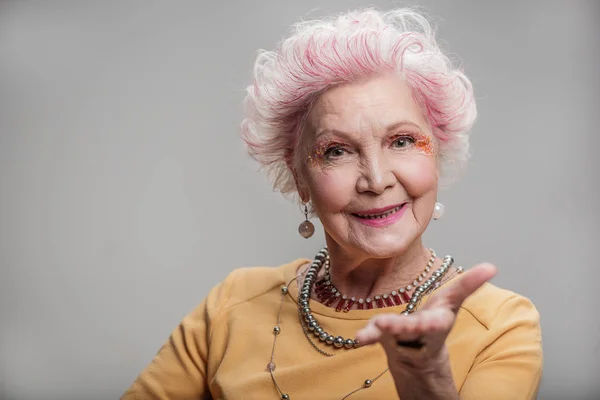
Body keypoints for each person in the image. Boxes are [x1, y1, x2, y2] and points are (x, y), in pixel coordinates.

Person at [122, 8, 542, 400]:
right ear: (299, 179)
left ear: (437, 155)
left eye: (401, 141)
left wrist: (426, 380)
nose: (377, 181)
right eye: (337, 151)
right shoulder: (234, 303)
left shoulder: (500, 324)